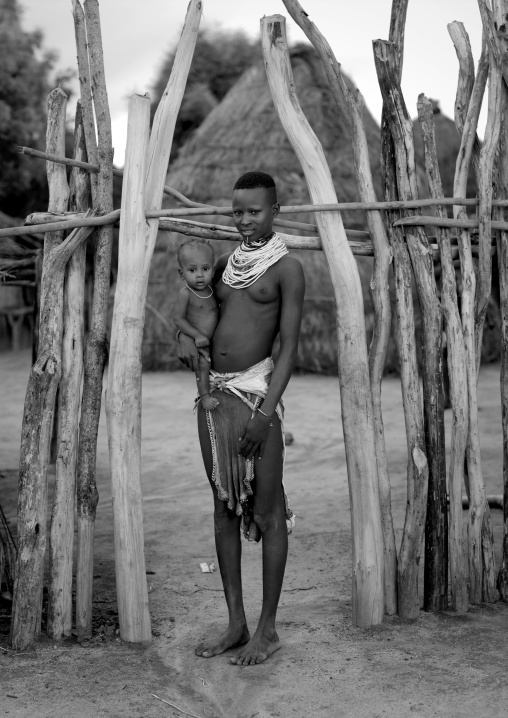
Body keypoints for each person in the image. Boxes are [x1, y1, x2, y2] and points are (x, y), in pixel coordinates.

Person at [178, 171, 305, 666]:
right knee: (224, 506)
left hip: (256, 398)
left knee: (268, 510)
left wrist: (266, 412)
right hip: (215, 397)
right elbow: (199, 317)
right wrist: (189, 339)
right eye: (237, 212)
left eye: (253, 211)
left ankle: (268, 630)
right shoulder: (225, 266)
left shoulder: (287, 269)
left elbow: (289, 348)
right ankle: (237, 622)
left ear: (274, 209)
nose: (244, 219)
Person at [173, 239, 219, 411]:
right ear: (181, 273)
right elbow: (178, 319)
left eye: (205, 269)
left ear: (213, 270)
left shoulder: (214, 289)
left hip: (214, 342)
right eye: (192, 270)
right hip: (198, 342)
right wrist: (196, 335)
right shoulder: (185, 294)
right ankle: (204, 396)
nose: (199, 275)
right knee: (203, 366)